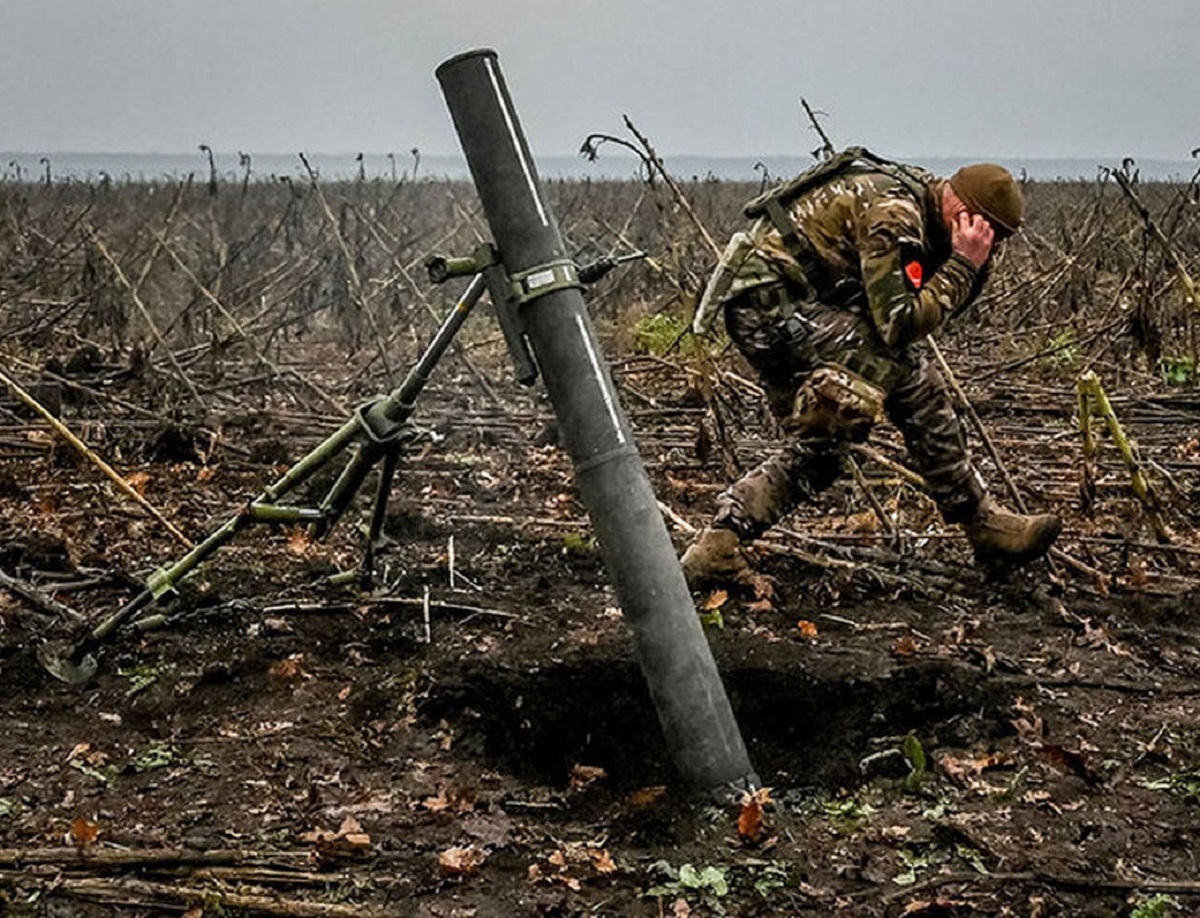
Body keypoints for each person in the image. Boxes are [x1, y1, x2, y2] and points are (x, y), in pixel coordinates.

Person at [682, 148, 1061, 589]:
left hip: (788, 306)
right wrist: (962, 265)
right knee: (909, 373)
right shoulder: (897, 215)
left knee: (822, 453)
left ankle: (718, 546)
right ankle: (981, 523)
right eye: (990, 233)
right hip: (770, 307)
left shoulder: (927, 203)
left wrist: (970, 266)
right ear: (962, 211)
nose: (991, 246)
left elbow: (921, 309)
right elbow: (899, 324)